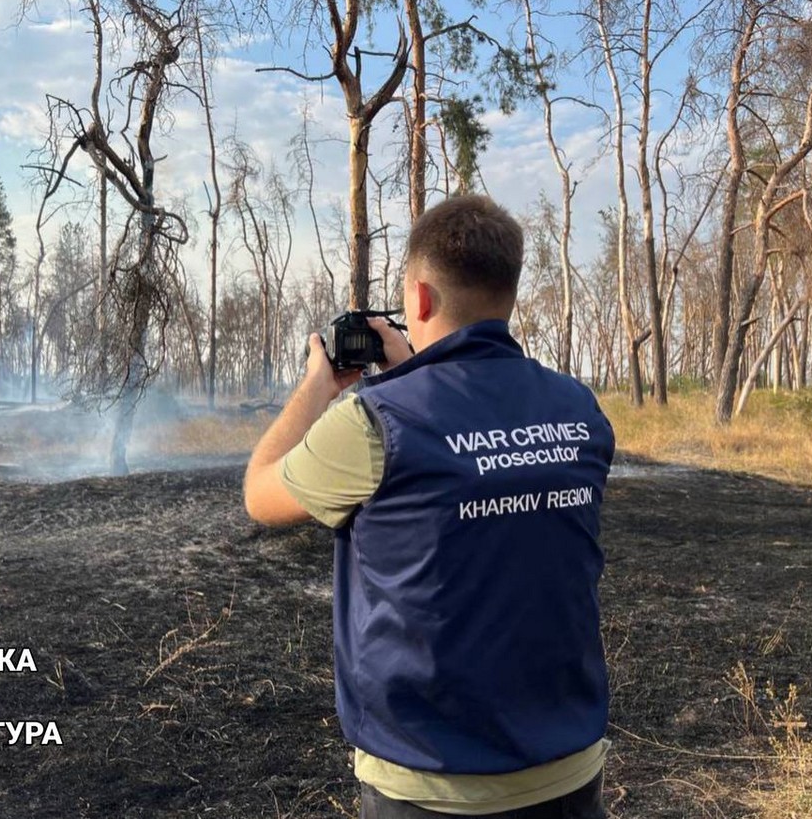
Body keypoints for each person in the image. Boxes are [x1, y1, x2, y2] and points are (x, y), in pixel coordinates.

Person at [243, 194, 615, 818]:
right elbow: (491, 473)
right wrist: (421, 373)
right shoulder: (580, 410)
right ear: (509, 292)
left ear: (417, 299)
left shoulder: (374, 424)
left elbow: (260, 493)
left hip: (429, 784)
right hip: (569, 771)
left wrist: (317, 386)